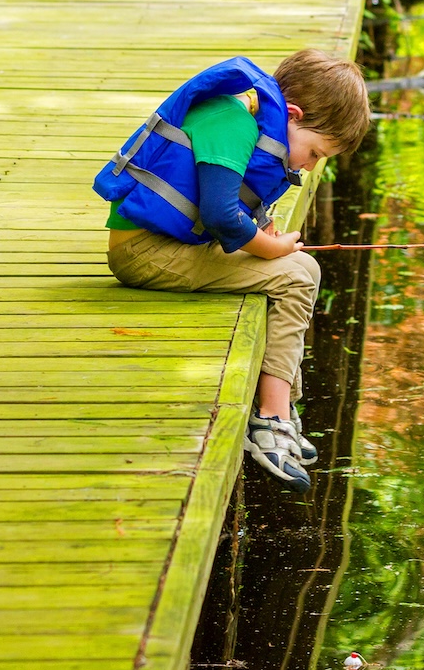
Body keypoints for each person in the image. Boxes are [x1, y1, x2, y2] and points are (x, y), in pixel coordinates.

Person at [92, 51, 370, 492]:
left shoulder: (250, 118)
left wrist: (263, 230)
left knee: (298, 269)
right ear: (292, 115)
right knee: (298, 273)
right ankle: (271, 419)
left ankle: (280, 409)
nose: (311, 166)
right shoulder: (232, 121)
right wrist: (271, 246)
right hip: (146, 253)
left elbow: (233, 201)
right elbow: (221, 215)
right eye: (315, 152)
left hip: (167, 247)